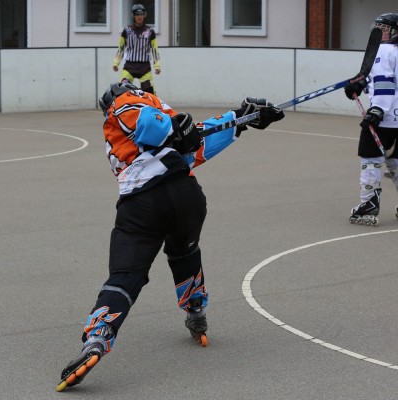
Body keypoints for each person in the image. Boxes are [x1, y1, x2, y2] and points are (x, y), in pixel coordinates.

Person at [55, 81, 284, 392]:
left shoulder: (123, 108)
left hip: (143, 203)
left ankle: (98, 337)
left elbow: (162, 127)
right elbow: (193, 143)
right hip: (187, 196)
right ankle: (196, 312)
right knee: (184, 252)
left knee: (126, 275)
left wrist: (236, 118)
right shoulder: (147, 109)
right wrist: (238, 119)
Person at [344, 13, 398, 226]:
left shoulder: (384, 50)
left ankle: (368, 205)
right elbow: (383, 78)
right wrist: (361, 83)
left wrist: (377, 110)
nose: (378, 32)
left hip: (384, 118)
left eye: (383, 29)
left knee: (371, 159)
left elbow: (385, 82)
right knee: (395, 161)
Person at [113, 4, 160, 94]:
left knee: (149, 92)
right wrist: (116, 62)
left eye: (142, 14)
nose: (139, 17)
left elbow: (154, 49)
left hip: (145, 67)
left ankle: (152, 103)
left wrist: (157, 65)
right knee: (122, 89)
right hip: (129, 66)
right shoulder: (127, 30)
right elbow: (121, 47)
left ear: (144, 15)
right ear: (133, 15)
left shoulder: (150, 31)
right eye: (137, 14)